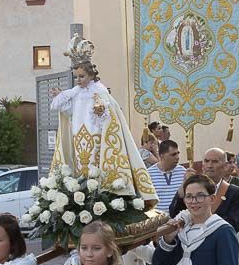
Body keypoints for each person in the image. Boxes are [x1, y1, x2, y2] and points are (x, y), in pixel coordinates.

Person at [48, 38, 157, 206]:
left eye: (82, 76)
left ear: (91, 74)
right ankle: (82, 197)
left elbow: (109, 115)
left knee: (97, 168)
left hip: (97, 138)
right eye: (75, 76)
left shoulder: (99, 90)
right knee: (81, 170)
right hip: (79, 138)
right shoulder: (74, 93)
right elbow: (71, 113)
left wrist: (101, 111)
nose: (78, 80)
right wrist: (60, 99)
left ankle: (102, 197)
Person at [147, 139, 186, 265]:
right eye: (173, 154)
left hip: (175, 225)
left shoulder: (183, 172)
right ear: (162, 155)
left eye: (178, 153)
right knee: (154, 262)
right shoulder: (148, 174)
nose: (177, 157)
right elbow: (146, 202)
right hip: (155, 226)